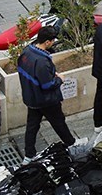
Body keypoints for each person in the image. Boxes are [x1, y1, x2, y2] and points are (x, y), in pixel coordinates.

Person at [18, 28, 76, 162]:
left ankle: (29, 155)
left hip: (31, 98)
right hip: (46, 100)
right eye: (53, 41)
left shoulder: (27, 52)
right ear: (47, 42)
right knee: (59, 123)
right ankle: (72, 145)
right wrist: (59, 79)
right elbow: (47, 85)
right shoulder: (42, 61)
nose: (53, 43)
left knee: (32, 126)